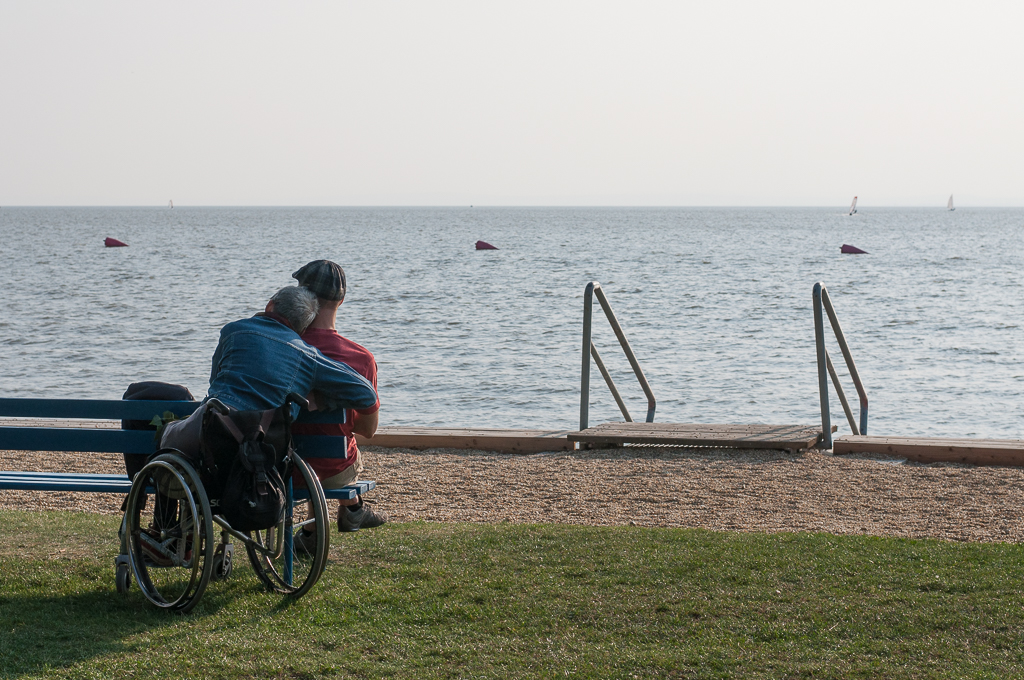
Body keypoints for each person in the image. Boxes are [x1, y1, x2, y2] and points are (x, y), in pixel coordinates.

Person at [160, 285, 378, 457]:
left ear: (270, 305)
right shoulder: (307, 356)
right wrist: (320, 399)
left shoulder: (234, 331)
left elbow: (214, 380)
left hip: (213, 433)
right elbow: (366, 394)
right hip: (266, 448)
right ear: (303, 328)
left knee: (168, 432)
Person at [290, 259, 388, 535]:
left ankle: (314, 530)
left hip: (282, 466)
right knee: (343, 442)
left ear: (302, 297)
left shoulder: (282, 348)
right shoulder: (361, 358)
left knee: (307, 447)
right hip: (334, 471)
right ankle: (353, 509)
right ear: (342, 300)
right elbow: (368, 430)